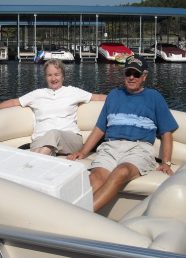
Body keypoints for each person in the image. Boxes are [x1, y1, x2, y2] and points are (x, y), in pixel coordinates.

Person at [67, 55, 178, 212]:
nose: (132, 77)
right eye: (128, 73)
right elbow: (100, 128)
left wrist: (166, 162)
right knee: (96, 177)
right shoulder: (114, 95)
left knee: (121, 172)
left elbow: (167, 132)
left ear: (144, 77)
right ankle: (74, 214)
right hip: (110, 147)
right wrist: (83, 152)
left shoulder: (154, 97)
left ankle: (76, 218)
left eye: (136, 74)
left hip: (138, 149)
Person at [0, 59, 106, 156]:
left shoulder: (73, 92)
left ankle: (33, 164)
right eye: (50, 75)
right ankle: (39, 161)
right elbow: (15, 102)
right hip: (40, 139)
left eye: (57, 74)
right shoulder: (37, 94)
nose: (53, 78)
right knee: (42, 146)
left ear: (63, 76)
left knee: (53, 134)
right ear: (45, 77)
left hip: (70, 140)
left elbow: (98, 98)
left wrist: (122, 96)